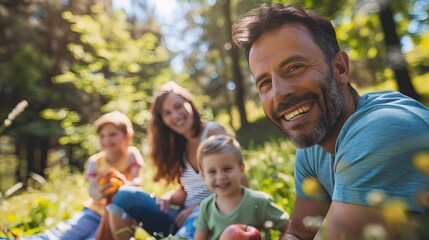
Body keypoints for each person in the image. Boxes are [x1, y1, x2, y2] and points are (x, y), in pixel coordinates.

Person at [232, 3, 429, 239]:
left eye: (294, 67)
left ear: (340, 68)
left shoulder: (384, 130)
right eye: (264, 83)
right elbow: (298, 233)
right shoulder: (314, 147)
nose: (278, 93)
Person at [103, 81, 248, 240]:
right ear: (163, 120)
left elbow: (239, 184)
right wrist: (168, 198)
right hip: (184, 216)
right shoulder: (178, 145)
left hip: (212, 215)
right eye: (167, 113)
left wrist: (198, 208)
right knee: (125, 194)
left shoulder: (213, 133)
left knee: (196, 217)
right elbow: (188, 190)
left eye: (178, 106)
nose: (175, 115)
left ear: (189, 103)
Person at [23, 111, 144, 240]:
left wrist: (122, 184)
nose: (106, 140)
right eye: (102, 136)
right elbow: (94, 194)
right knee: (61, 235)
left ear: (127, 136)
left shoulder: (131, 155)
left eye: (113, 134)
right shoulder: (94, 161)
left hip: (118, 217)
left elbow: (137, 183)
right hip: (93, 212)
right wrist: (104, 188)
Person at [194, 134, 289, 240]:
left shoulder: (259, 202)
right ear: (203, 176)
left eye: (227, 169)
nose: (220, 177)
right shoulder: (206, 207)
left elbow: (288, 228)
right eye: (212, 172)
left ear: (241, 169)